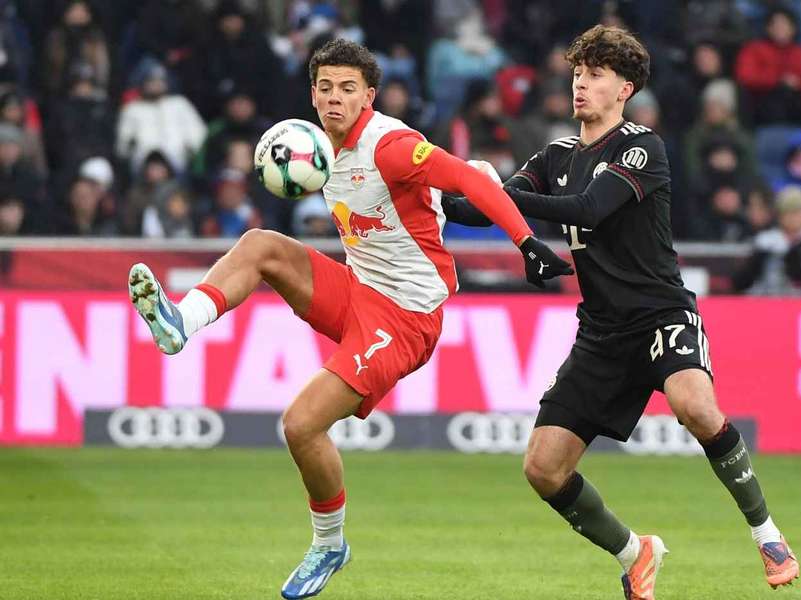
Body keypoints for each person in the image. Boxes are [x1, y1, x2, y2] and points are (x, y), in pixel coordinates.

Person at [127, 38, 571, 600]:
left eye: (348, 89)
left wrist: (526, 242)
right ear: (312, 93)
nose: (336, 99)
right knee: (261, 243)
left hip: (407, 316)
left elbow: (471, 180)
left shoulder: (389, 145)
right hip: (358, 288)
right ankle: (179, 321)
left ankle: (329, 542)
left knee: (300, 425)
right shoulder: (308, 146)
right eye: (326, 87)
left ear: (368, 96)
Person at [443, 25, 799, 598]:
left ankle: (767, 535)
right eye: (578, 74)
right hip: (602, 334)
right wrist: (430, 185)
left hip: (662, 315)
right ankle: (636, 554)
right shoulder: (556, 155)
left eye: (596, 76)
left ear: (625, 88)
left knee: (695, 406)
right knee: (542, 469)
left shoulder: (642, 146)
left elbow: (588, 207)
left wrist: (496, 192)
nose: (581, 85)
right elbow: (482, 208)